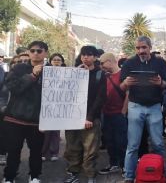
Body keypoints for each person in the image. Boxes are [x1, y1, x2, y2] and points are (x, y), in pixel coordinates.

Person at [120, 36, 166, 183]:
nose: (141, 51)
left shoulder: (160, 62)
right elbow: (121, 87)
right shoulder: (129, 63)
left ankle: (161, 173)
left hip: (154, 107)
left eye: (144, 47)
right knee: (133, 145)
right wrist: (126, 83)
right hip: (135, 106)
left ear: (150, 47)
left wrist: (161, 82)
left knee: (158, 144)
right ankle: (129, 176)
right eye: (138, 48)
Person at [2, 41, 48, 183]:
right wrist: (32, 75)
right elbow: (13, 88)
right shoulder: (19, 68)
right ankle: (9, 176)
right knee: (14, 151)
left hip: (37, 121)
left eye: (39, 51)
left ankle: (34, 176)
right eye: (32, 50)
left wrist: (81, 72)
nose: (35, 53)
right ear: (28, 52)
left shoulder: (52, 71)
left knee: (36, 151)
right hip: (15, 118)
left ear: (45, 53)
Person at [64, 46, 107, 183]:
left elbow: (100, 98)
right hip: (72, 117)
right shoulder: (73, 72)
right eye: (83, 55)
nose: (85, 57)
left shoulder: (100, 74)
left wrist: (90, 117)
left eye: (89, 55)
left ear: (95, 57)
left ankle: (90, 174)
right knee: (72, 147)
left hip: (90, 119)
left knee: (90, 149)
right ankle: (74, 173)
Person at [98, 53, 128, 176]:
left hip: (119, 114)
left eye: (102, 63)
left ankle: (125, 166)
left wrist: (123, 111)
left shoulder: (123, 74)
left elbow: (128, 94)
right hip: (106, 113)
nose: (100, 66)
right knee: (109, 141)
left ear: (110, 61)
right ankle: (114, 164)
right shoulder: (104, 76)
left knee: (121, 142)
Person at [41, 53, 66, 162]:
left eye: (59, 60)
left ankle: (54, 152)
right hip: (47, 105)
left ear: (62, 62)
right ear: (50, 61)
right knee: (46, 130)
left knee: (56, 130)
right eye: (54, 59)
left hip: (59, 106)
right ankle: (43, 152)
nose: (56, 61)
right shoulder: (44, 72)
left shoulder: (68, 73)